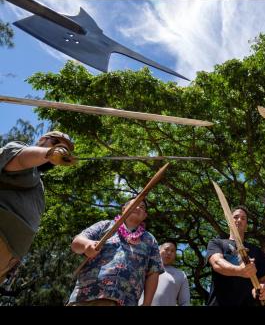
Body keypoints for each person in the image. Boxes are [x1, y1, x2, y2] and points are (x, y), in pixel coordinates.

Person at [0, 131, 74, 284]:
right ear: (42, 140)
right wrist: (50, 153)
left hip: (8, 260)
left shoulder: (39, 184)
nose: (63, 151)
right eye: (57, 143)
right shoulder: (19, 148)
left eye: (66, 150)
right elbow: (21, 159)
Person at [67, 198, 164, 306]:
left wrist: (146, 304)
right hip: (87, 297)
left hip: (127, 302)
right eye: (135, 204)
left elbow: (153, 272)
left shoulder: (150, 240)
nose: (138, 207)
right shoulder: (105, 225)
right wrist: (87, 245)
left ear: (145, 215)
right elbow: (76, 243)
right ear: (123, 209)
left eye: (142, 207)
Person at [206, 205, 265, 306]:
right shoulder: (217, 243)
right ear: (229, 221)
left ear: (246, 224)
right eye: (235, 217)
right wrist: (240, 271)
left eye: (243, 218)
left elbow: (264, 280)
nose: (239, 220)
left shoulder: (256, 251)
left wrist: (263, 289)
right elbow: (217, 263)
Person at [139, 241, 191, 306]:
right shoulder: (144, 267)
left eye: (172, 251)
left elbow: (185, 302)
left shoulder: (181, 275)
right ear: (158, 250)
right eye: (166, 249)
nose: (169, 253)